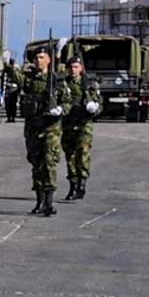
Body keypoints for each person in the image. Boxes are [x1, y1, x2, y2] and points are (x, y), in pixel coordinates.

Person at [19, 44, 65, 216]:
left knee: (49, 163)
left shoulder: (56, 80)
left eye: (42, 58)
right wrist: (10, 64)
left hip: (51, 128)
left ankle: (49, 202)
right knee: (36, 164)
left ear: (49, 60)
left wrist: (60, 109)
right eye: (36, 58)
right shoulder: (29, 79)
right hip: (33, 128)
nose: (38, 60)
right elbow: (17, 78)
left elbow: (66, 100)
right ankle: (39, 201)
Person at [60, 55, 103, 201]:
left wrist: (93, 108)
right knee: (70, 155)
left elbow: (99, 105)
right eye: (71, 67)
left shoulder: (89, 84)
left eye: (76, 67)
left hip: (84, 124)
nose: (73, 70)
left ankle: (82, 184)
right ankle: (73, 184)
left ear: (81, 69)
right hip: (68, 124)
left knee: (83, 153)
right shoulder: (63, 84)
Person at [2, 55, 21, 122]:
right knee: (8, 105)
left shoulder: (16, 71)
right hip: (8, 89)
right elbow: (3, 80)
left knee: (13, 105)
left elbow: (19, 80)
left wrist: (18, 89)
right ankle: (9, 117)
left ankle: (12, 117)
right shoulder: (6, 71)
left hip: (14, 90)